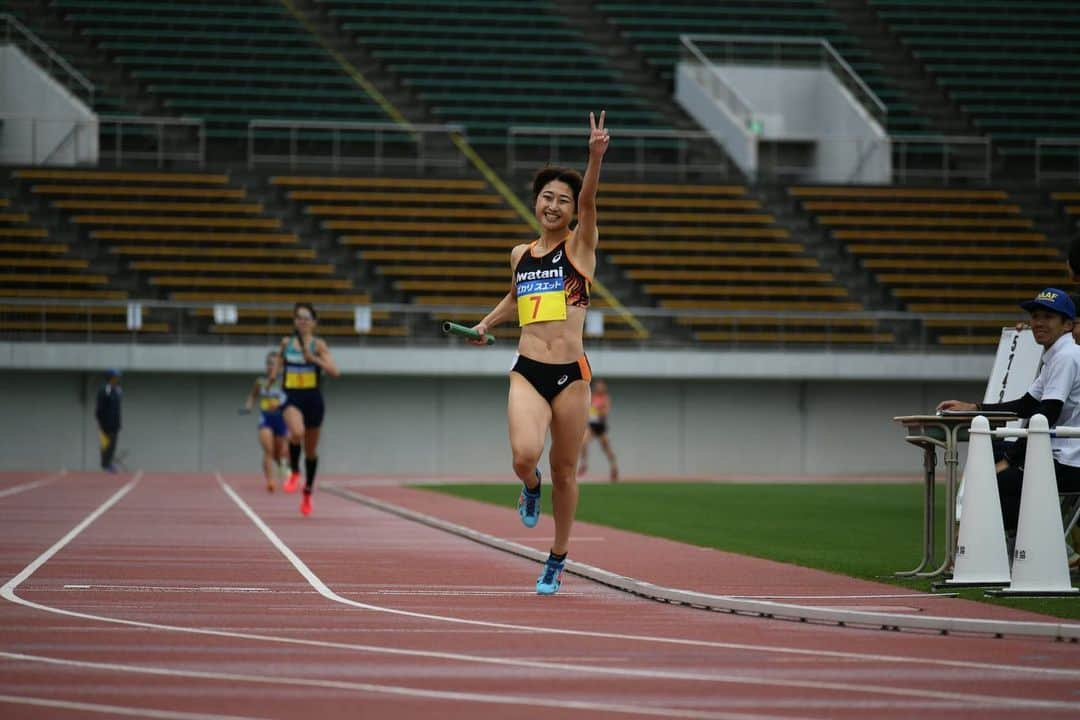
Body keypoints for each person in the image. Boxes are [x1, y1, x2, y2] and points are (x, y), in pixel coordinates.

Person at [469, 111, 609, 595]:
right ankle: (530, 487)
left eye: (563, 201)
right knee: (525, 455)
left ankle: (557, 557)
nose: (553, 206)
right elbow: (515, 299)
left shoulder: (581, 248)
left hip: (572, 374)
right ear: (535, 201)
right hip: (528, 369)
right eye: (547, 197)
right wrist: (487, 322)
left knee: (566, 472)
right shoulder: (520, 255)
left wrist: (594, 157)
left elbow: (591, 201)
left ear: (573, 211)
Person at [937, 288, 1080, 546]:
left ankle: (1044, 547)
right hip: (1060, 454)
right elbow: (1026, 405)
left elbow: (1046, 414)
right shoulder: (1057, 355)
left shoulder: (1067, 356)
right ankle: (1021, 544)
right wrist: (974, 408)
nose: (1038, 323)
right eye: (1035, 316)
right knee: (988, 448)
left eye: (1048, 317)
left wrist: (1010, 460)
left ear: (1068, 324)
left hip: (1070, 461)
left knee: (996, 480)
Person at [278, 302, 340, 516]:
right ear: (295, 321)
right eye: (299, 318)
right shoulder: (286, 343)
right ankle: (294, 471)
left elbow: (334, 371)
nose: (302, 321)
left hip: (313, 398)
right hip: (291, 396)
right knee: (297, 433)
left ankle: (307, 492)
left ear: (314, 322)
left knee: (311, 451)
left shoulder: (319, 345)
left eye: (306, 318)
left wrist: (313, 359)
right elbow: (278, 365)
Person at [242, 351, 289, 493]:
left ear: (280, 366)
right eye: (268, 364)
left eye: (274, 364)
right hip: (266, 418)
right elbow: (252, 395)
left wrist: (281, 405)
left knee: (279, 452)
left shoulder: (285, 381)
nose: (271, 367)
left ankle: (282, 465)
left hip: (281, 419)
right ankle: (270, 480)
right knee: (268, 450)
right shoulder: (260, 382)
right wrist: (248, 406)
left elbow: (291, 399)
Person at [578, 378, 619, 483]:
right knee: (583, 442)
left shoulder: (606, 398)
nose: (599, 387)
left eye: (601, 386)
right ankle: (584, 464)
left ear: (604, 387)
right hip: (591, 425)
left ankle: (614, 467)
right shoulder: (592, 397)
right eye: (597, 386)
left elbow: (605, 412)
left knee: (606, 448)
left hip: (600, 426)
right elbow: (587, 409)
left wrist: (598, 410)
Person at [95, 368, 122, 473]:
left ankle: (109, 463)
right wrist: (101, 422)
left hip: (115, 424)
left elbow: (117, 409)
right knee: (106, 444)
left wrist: (118, 422)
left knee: (113, 444)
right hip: (105, 424)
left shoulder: (117, 390)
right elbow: (99, 408)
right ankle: (105, 464)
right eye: (116, 377)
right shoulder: (104, 390)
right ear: (110, 378)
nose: (117, 379)